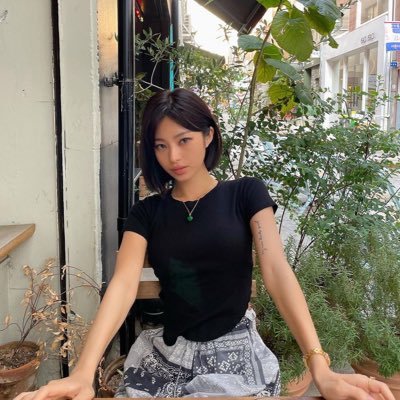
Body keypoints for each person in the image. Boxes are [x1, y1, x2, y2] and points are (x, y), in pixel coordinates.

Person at [15, 88, 394, 400]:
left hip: (236, 352)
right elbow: (124, 284)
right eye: (161, 146)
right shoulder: (147, 213)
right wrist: (84, 373)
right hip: (169, 354)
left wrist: (320, 366)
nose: (174, 156)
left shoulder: (246, 194)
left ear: (208, 135)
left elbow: (276, 269)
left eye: (184, 140)